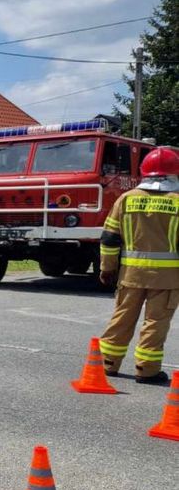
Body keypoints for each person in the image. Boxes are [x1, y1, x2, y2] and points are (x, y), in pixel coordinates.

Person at [97, 146, 179, 384]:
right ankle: (147, 369)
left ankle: (108, 363)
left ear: (145, 172)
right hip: (168, 279)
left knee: (122, 317)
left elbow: (110, 238)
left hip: (130, 275)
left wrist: (107, 268)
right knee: (156, 322)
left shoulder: (126, 199)